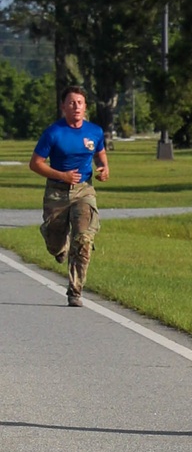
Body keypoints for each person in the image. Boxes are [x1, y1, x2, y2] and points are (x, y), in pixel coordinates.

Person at [29, 86, 110, 307]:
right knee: (55, 241)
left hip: (84, 190)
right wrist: (62, 175)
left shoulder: (94, 131)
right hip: (57, 191)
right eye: (72, 103)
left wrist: (104, 168)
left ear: (85, 107)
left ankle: (75, 290)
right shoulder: (54, 132)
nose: (76, 107)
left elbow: (100, 154)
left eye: (80, 103)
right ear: (63, 106)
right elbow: (35, 164)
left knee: (83, 238)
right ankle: (58, 245)